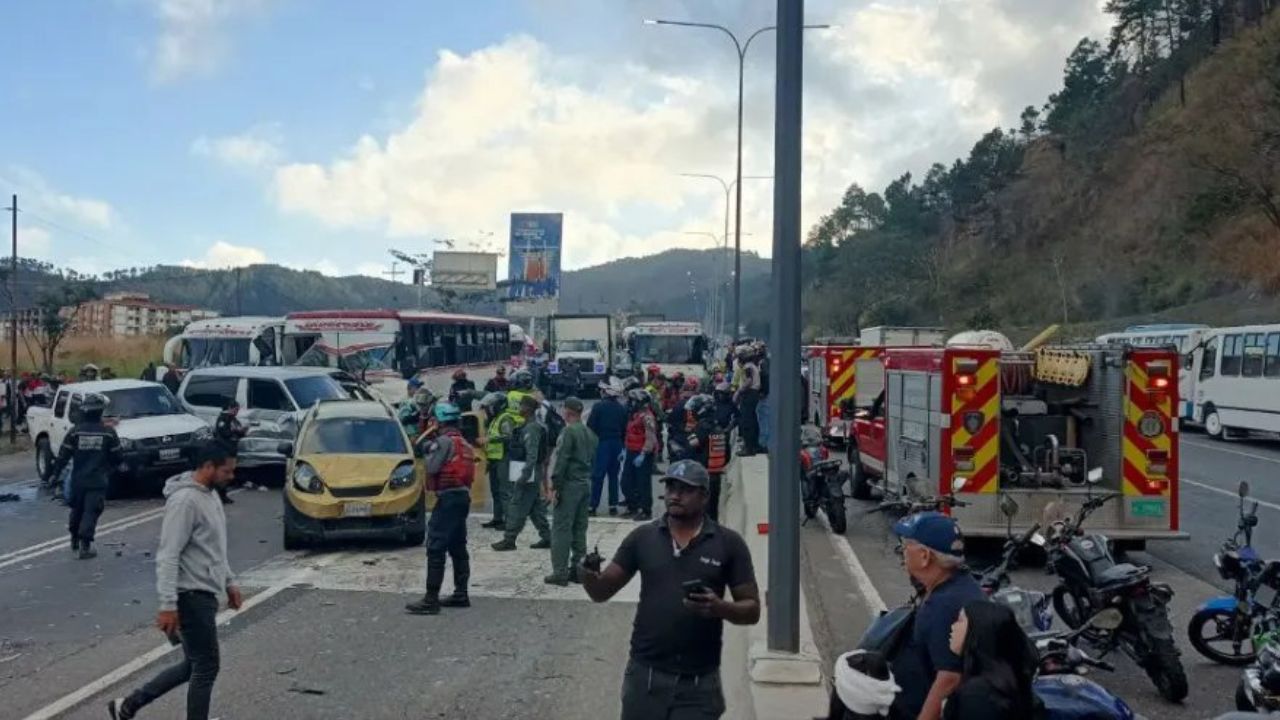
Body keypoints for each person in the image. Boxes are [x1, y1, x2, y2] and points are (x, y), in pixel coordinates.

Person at [580, 460, 761, 720]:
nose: (675, 495)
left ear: (704, 496)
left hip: (699, 686)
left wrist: (720, 608)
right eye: (671, 487)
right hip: (645, 679)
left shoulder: (728, 544)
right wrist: (587, 573)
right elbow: (601, 592)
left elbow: (752, 610)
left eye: (685, 489)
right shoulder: (642, 538)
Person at [107, 443, 241, 720]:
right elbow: (168, 555)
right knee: (206, 666)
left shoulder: (210, 496)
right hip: (189, 595)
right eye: (227, 471)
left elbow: (213, 548)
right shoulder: (185, 502)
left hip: (204, 592)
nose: (231, 476)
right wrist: (168, 605)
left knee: (193, 665)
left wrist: (230, 581)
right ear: (208, 467)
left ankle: (127, 706)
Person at [889, 512, 984, 720]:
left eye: (906, 547)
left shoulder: (942, 606)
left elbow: (949, 678)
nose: (902, 554)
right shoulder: (960, 584)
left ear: (925, 557)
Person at [406, 402, 476, 615]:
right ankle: (461, 593)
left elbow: (432, 466)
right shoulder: (464, 443)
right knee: (457, 546)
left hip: (448, 499)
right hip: (462, 497)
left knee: (436, 545)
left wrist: (428, 448)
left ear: (439, 421)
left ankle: (431, 599)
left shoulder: (444, 442)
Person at [45, 393, 121, 559]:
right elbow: (117, 457)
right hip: (97, 480)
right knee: (91, 511)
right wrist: (110, 470)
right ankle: (85, 546)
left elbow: (63, 456)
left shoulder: (75, 432)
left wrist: (54, 476)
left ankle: (74, 539)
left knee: (77, 510)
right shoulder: (108, 433)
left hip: (78, 480)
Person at [942, 601, 1039, 720]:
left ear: (978, 630)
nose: (953, 627)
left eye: (959, 620)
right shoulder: (1007, 679)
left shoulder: (977, 695)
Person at [545, 396, 596, 586]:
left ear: (567, 411)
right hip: (584, 484)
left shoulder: (568, 432)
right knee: (580, 528)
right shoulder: (589, 433)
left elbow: (561, 461)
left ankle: (559, 572)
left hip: (569, 485)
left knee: (561, 529)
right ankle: (578, 570)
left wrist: (554, 487)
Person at [491, 395, 552, 552]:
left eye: (521, 406)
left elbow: (532, 454)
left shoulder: (532, 428)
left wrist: (524, 476)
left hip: (527, 472)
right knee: (534, 507)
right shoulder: (527, 425)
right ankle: (548, 537)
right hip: (529, 471)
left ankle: (509, 539)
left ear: (528, 409)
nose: (519, 408)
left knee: (517, 504)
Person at [479, 391, 523, 530]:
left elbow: (507, 436)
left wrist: (489, 439)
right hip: (494, 459)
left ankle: (509, 521)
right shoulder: (494, 419)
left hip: (504, 458)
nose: (488, 410)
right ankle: (498, 518)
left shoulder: (505, 418)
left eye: (490, 407)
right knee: (495, 491)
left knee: (505, 491)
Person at [587, 380, 628, 516]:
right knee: (613, 476)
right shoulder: (622, 408)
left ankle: (593, 505)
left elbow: (590, 426)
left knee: (598, 476)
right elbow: (624, 429)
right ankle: (613, 505)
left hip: (602, 443)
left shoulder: (598, 407)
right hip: (616, 444)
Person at [621, 388, 658, 521]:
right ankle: (632, 506)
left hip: (642, 453)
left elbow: (651, 437)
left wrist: (643, 453)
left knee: (643, 484)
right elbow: (629, 433)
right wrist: (624, 449)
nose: (630, 403)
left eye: (633, 401)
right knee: (626, 482)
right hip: (631, 451)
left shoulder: (647, 417)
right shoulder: (635, 415)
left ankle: (646, 510)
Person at [212, 403, 246, 505]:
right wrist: (235, 431)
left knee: (228, 474)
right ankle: (219, 496)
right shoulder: (223, 418)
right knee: (222, 473)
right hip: (224, 449)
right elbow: (224, 433)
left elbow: (239, 433)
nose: (236, 412)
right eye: (235, 410)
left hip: (232, 449)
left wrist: (242, 431)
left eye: (238, 410)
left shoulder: (233, 419)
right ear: (230, 408)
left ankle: (224, 495)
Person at [733, 346, 763, 456]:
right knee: (753, 420)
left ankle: (748, 448)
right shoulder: (752, 365)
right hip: (753, 394)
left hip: (749, 394)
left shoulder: (747, 367)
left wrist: (739, 392)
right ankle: (754, 446)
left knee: (746, 421)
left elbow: (749, 380)